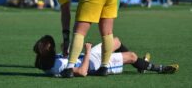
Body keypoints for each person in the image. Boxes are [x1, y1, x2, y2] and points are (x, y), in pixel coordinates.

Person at [49, 0, 118, 78]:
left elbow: (65, 12)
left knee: (79, 30)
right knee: (107, 32)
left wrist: (66, 39)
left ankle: (69, 68)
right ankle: (104, 67)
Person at [33, 35, 179, 77]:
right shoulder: (56, 66)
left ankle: (140, 66)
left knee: (115, 41)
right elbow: (82, 72)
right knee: (132, 56)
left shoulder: (49, 61)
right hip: (94, 64)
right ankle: (159, 68)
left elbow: (68, 61)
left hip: (87, 57)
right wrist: (88, 50)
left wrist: (67, 51)